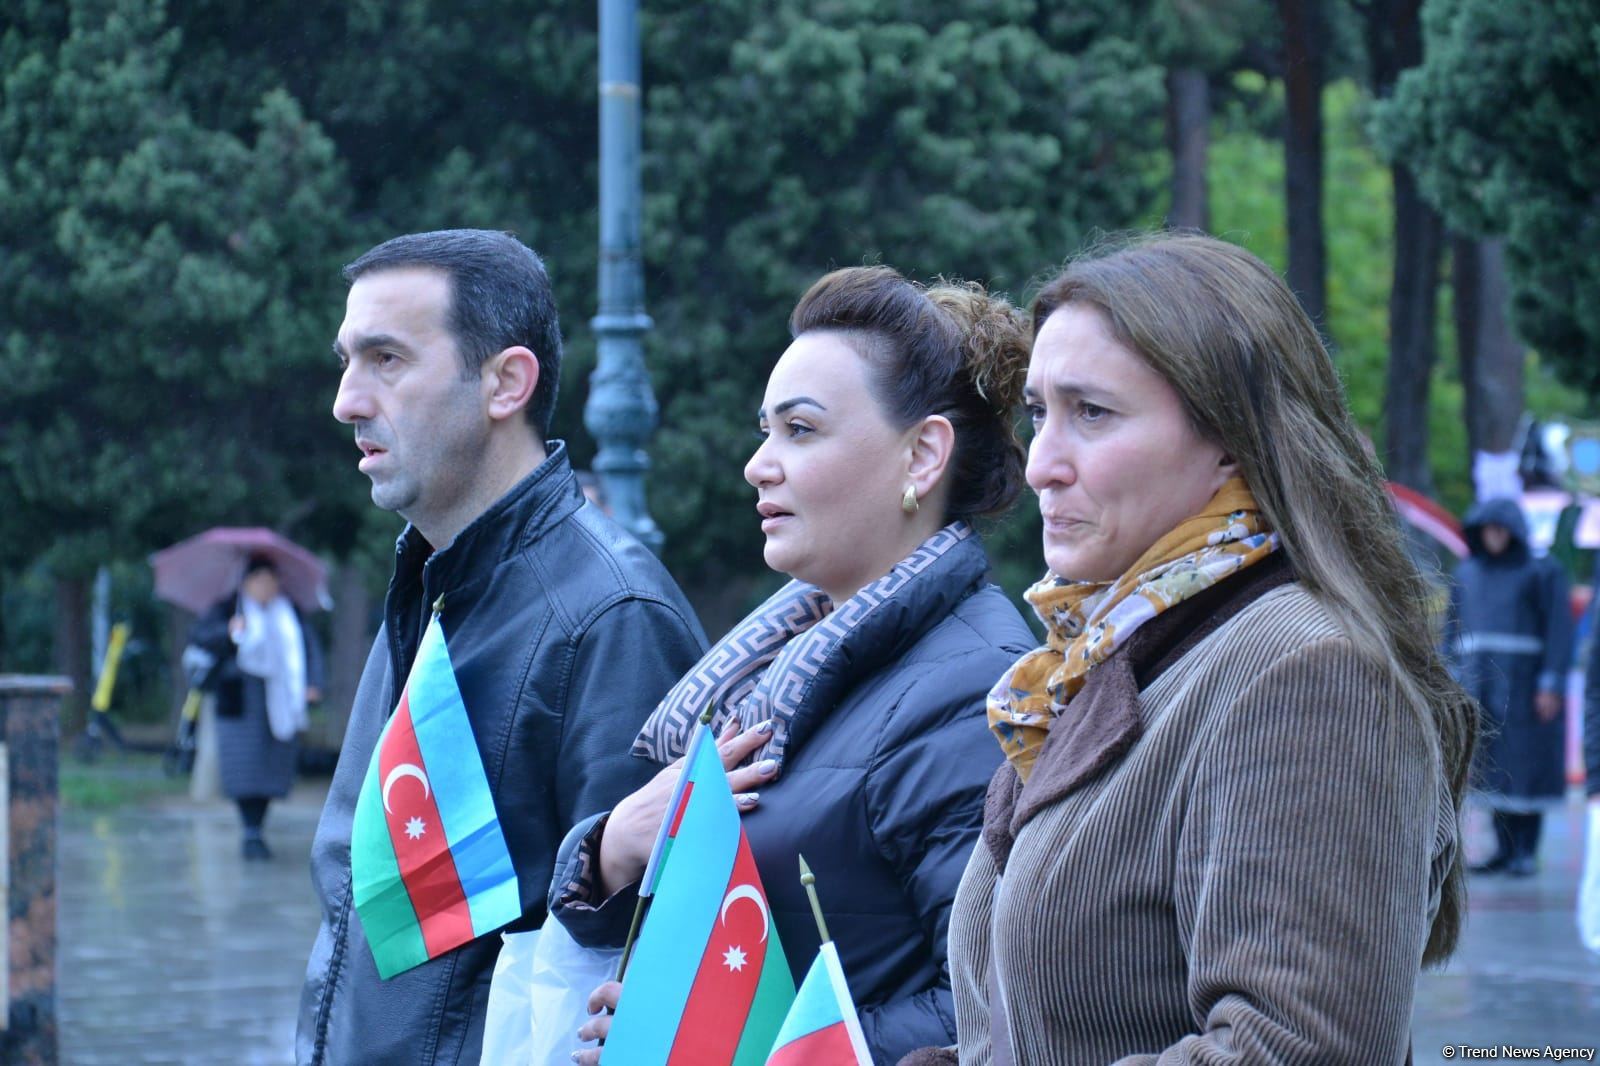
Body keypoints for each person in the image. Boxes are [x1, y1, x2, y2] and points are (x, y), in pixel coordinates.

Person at [904, 233, 1476, 1064]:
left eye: (1091, 413)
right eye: (1038, 412)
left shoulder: (1308, 670)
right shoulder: (1108, 656)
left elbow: (1292, 1051)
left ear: (1229, 441)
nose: (1041, 466)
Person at [549, 266, 1037, 1064]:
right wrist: (613, 847)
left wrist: (730, 1047)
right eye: (764, 430)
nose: (758, 465)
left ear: (922, 457)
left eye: (800, 431)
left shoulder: (974, 690)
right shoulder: (775, 665)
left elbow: (991, 1007)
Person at [297, 229, 706, 1066]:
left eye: (385, 360)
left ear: (506, 382)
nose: (346, 399)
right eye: (346, 360)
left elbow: (642, 969)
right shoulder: (430, 576)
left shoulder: (612, 617)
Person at [1446, 498, 1573, 877]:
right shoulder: (1467, 572)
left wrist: (1551, 682)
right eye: (1489, 528)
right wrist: (1449, 679)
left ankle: (1525, 852)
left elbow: (1558, 630)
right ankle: (1503, 850)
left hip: (1525, 687)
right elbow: (1450, 631)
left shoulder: (1542, 572)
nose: (1495, 535)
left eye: (1501, 529)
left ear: (1514, 531)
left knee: (1526, 764)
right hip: (1479, 685)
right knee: (1491, 769)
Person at [187, 554, 323, 860]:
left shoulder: (290, 613)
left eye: (270, 580)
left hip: (279, 698)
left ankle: (257, 827)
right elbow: (200, 637)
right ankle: (250, 830)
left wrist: (314, 684)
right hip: (238, 700)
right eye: (259, 580)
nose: (265, 587)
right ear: (246, 582)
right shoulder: (226, 608)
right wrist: (229, 630)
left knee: (271, 765)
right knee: (243, 766)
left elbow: (309, 649)